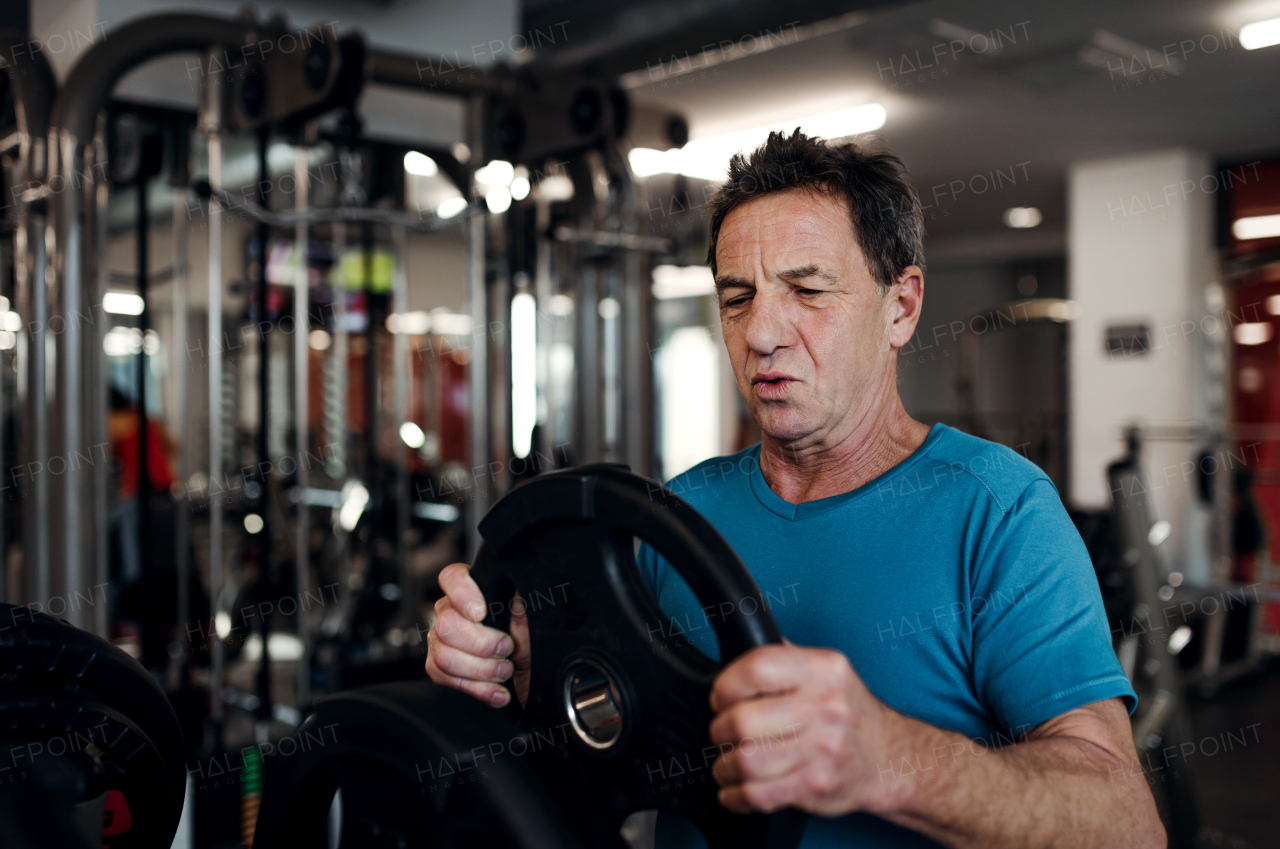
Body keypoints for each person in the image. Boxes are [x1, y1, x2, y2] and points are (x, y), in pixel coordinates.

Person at [425, 130, 1164, 848]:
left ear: (901, 307)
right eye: (737, 297)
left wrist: (888, 760)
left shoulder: (999, 511)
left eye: (807, 290)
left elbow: (1125, 824)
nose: (761, 334)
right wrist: (512, 668)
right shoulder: (675, 516)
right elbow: (595, 730)